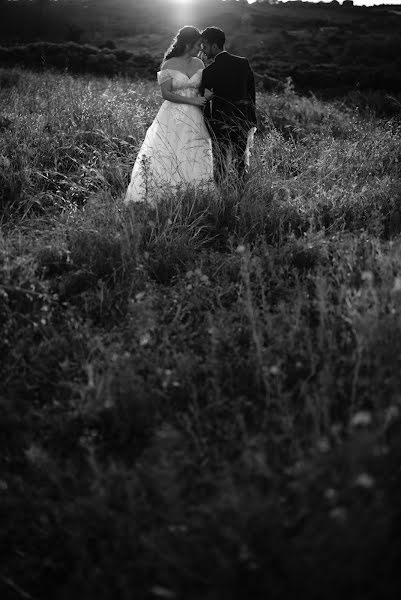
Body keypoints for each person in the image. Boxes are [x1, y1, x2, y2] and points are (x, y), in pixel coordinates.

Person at [124, 26, 215, 206]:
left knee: (194, 150)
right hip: (173, 113)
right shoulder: (169, 64)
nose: (201, 48)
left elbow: (204, 87)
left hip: (196, 115)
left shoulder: (199, 64)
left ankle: (194, 195)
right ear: (189, 44)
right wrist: (193, 101)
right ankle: (164, 194)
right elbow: (166, 94)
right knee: (169, 151)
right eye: (198, 44)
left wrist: (206, 97)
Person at [200, 27, 257, 184]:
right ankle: (239, 194)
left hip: (219, 123)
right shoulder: (243, 63)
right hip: (242, 120)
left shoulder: (209, 71)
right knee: (240, 162)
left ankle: (221, 197)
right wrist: (251, 119)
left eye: (205, 46)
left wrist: (207, 123)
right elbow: (251, 93)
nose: (203, 50)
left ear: (214, 45)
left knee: (219, 164)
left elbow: (203, 99)